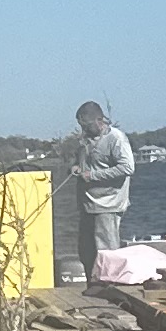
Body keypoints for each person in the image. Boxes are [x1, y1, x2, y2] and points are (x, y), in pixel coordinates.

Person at [65, 100, 133, 285]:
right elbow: (81, 162)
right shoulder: (84, 141)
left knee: (106, 249)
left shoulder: (116, 138)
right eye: (81, 126)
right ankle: (92, 283)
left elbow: (127, 167)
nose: (84, 130)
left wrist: (93, 175)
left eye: (86, 125)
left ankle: (111, 287)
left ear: (99, 120)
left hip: (108, 203)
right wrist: (75, 168)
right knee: (86, 250)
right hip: (87, 203)